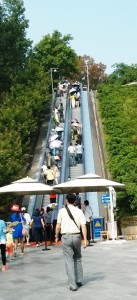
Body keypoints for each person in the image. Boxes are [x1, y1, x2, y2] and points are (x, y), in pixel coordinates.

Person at [56, 193, 87, 291]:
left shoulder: (61, 211)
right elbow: (83, 226)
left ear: (66, 200)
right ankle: (79, 280)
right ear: (75, 201)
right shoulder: (79, 211)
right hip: (77, 236)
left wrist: (56, 236)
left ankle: (73, 285)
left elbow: (58, 226)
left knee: (68, 260)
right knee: (77, 258)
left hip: (65, 237)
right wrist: (85, 239)